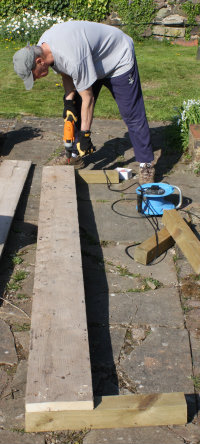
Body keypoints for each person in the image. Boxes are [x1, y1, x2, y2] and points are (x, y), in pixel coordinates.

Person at [13, 20, 154, 183]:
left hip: (117, 58)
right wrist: (69, 100)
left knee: (132, 113)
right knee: (76, 108)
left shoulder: (71, 57)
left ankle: (146, 164)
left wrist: (85, 135)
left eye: (34, 75)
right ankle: (74, 156)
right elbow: (65, 71)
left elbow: (89, 98)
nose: (36, 79)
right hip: (91, 62)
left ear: (39, 62)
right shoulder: (43, 48)